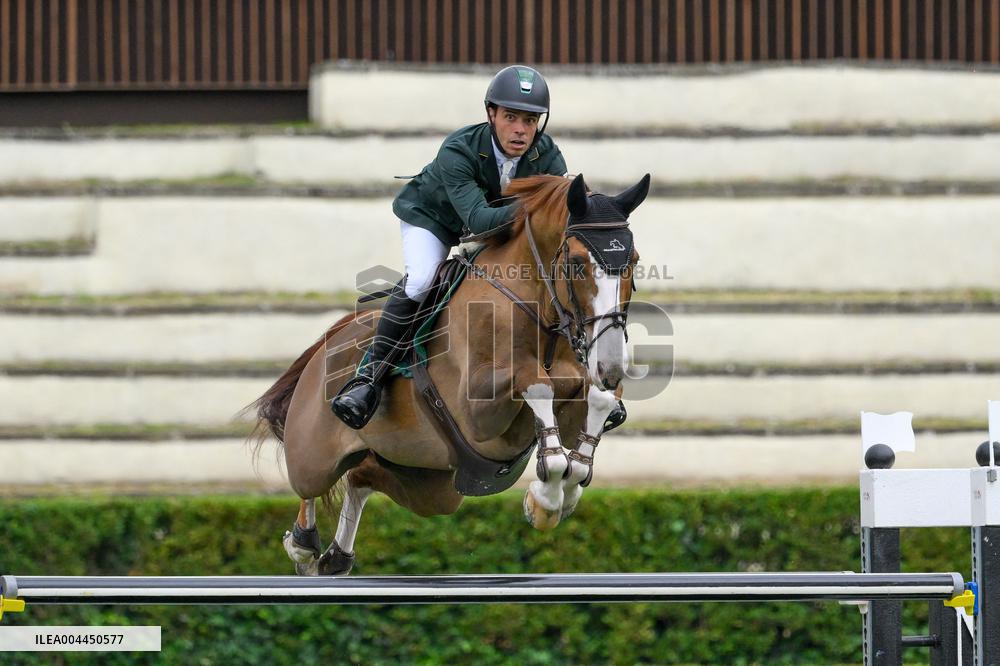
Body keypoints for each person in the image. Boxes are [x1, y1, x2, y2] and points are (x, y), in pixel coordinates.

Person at [330, 65, 567, 430]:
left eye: (530, 120)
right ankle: (368, 378)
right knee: (422, 280)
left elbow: (559, 214)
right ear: (491, 114)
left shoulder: (546, 155)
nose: (521, 130)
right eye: (511, 117)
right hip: (434, 219)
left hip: (498, 226)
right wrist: (539, 204)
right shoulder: (459, 149)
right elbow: (479, 220)